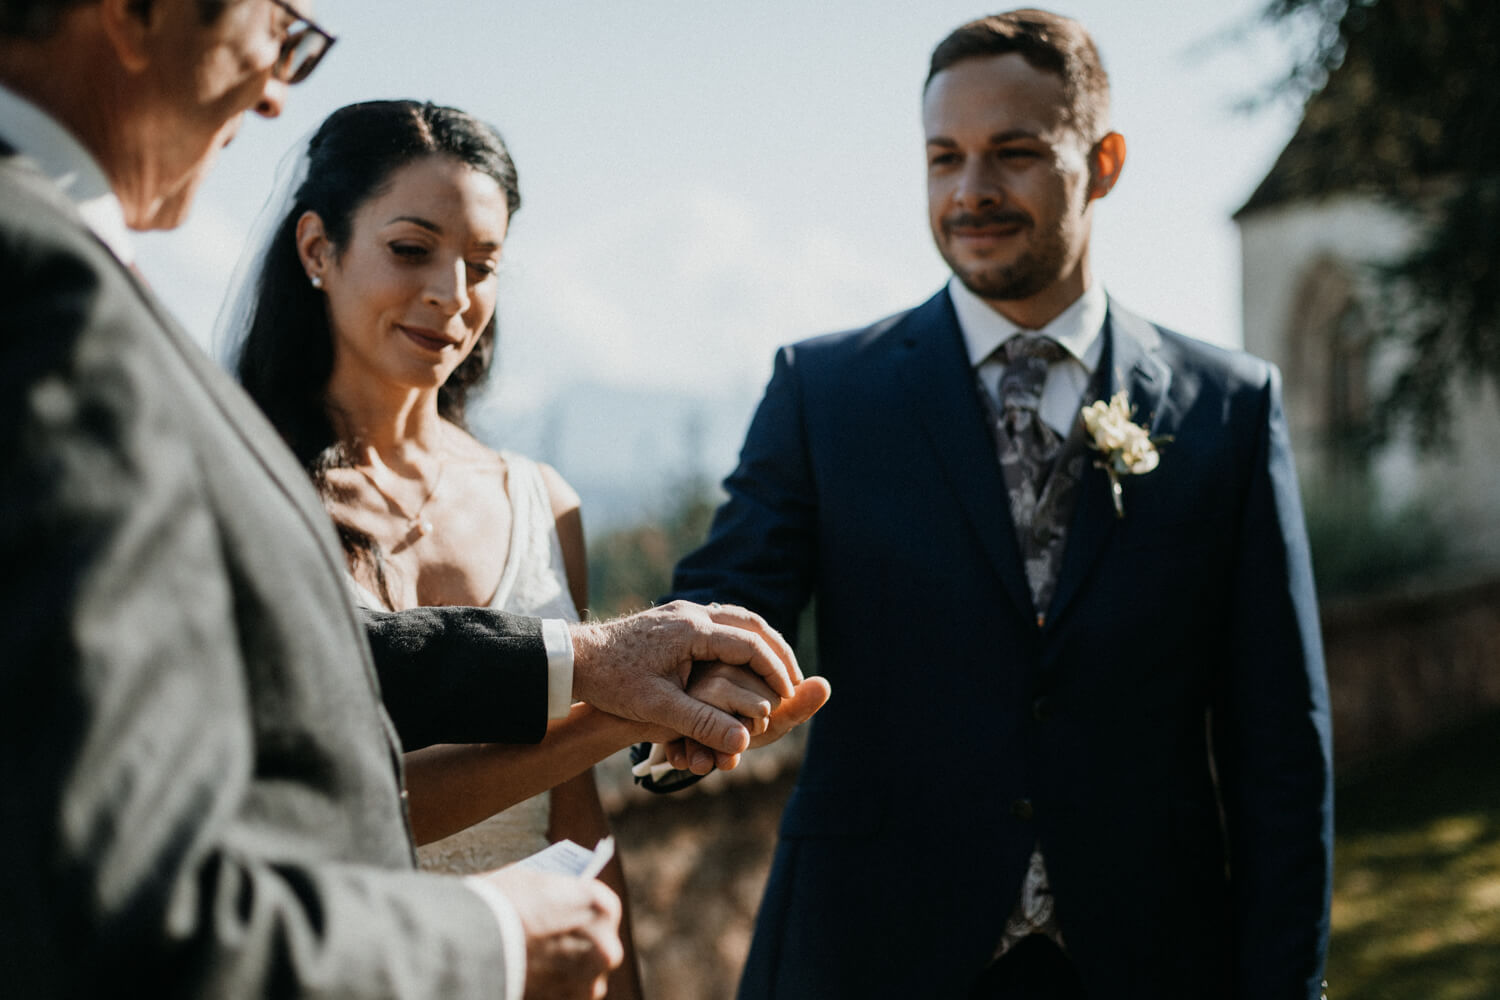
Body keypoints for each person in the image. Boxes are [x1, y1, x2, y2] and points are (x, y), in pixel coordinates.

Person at [0, 2, 808, 998]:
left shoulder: (532, 494)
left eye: (482, 263)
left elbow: (309, 666)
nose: (276, 86)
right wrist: (489, 939)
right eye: (277, 26)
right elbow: (119, 867)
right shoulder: (43, 291)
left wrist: (600, 670)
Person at [660, 9, 1334, 998]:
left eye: (1013, 153)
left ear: (1103, 162)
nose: (970, 192)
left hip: (1146, 956)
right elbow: (731, 597)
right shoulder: (824, 391)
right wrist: (700, 686)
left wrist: (1284, 983)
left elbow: (1280, 744)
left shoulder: (1230, 408)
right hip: (875, 952)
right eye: (944, 158)